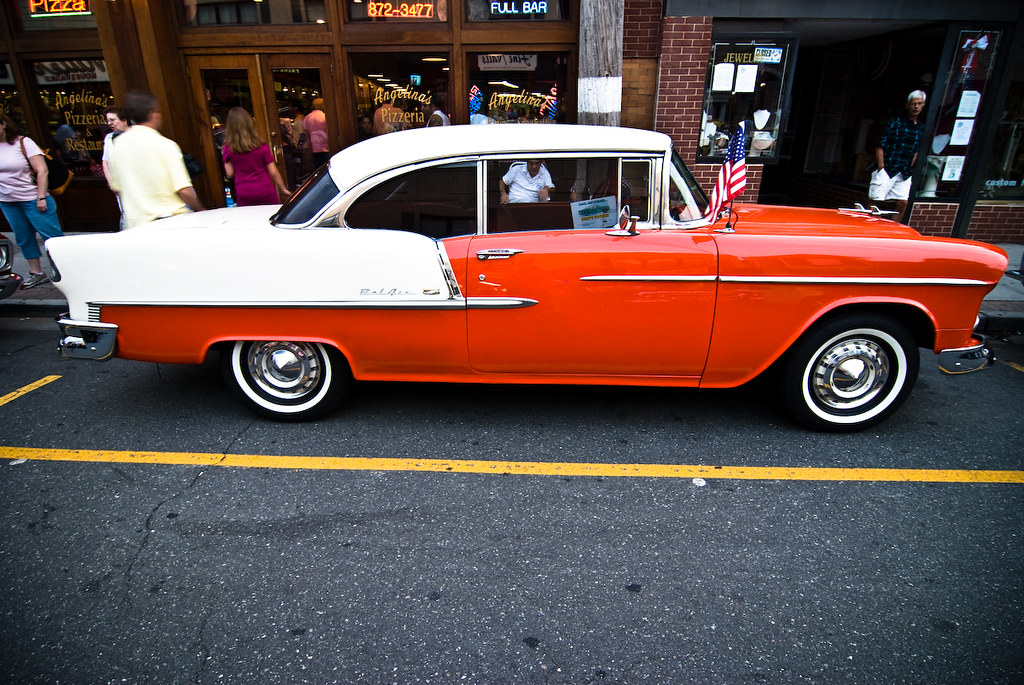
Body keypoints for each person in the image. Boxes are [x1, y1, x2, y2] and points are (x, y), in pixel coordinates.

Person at [107, 90, 205, 229]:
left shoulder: (117, 147)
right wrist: (201, 210)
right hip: (172, 222)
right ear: (154, 112)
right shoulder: (165, 145)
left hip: (136, 225)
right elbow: (184, 190)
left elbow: (117, 188)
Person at [0, 112, 65, 289]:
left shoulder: (23, 142)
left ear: (3, 124)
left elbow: (42, 170)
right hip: (7, 201)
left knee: (51, 237)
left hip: (33, 199)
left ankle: (65, 270)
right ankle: (36, 273)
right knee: (23, 237)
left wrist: (41, 196)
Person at [871, 90, 927, 218]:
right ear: (908, 105)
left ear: (923, 105)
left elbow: (918, 149)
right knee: (875, 200)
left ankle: (894, 227)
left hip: (905, 171)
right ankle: (867, 226)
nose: (916, 106)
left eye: (919, 103)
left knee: (903, 203)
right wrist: (881, 167)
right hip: (888, 167)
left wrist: (911, 165)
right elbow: (880, 144)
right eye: (913, 103)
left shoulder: (921, 127)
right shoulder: (896, 123)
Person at [222, 107, 292, 206]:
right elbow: (273, 172)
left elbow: (230, 174)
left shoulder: (229, 148)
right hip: (265, 190)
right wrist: (283, 189)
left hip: (244, 192)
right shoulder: (261, 146)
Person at [101, 106, 131, 228]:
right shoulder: (109, 138)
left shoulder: (134, 136)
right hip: (120, 188)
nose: (109, 123)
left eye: (112, 120)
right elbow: (105, 162)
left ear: (124, 120)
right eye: (107, 120)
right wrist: (112, 183)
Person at [304, 97, 329, 168]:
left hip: (314, 147)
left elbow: (307, 134)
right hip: (325, 146)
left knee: (317, 167)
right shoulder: (324, 116)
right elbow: (328, 131)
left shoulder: (307, 118)